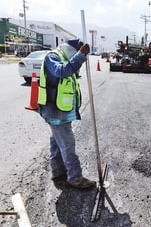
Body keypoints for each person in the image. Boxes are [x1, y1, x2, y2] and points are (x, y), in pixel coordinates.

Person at [38, 39, 96, 189]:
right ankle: (75, 177)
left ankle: (58, 173)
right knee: (68, 144)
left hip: (59, 112)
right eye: (75, 53)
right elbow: (62, 71)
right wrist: (80, 56)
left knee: (57, 143)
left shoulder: (63, 57)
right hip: (56, 112)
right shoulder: (53, 57)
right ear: (71, 49)